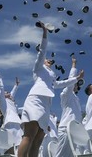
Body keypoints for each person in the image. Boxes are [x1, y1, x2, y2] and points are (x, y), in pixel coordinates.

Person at [17, 21, 85, 157]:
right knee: (29, 136)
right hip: (35, 100)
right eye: (47, 60)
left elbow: (62, 83)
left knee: (38, 140)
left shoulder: (51, 77)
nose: (49, 61)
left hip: (46, 105)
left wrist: (77, 78)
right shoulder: (38, 69)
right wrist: (45, 33)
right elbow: (42, 51)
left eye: (49, 61)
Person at [55, 56, 82, 157]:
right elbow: (70, 82)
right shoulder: (65, 93)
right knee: (60, 155)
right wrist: (74, 65)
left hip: (75, 129)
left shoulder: (76, 98)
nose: (76, 85)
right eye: (74, 83)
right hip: (66, 128)